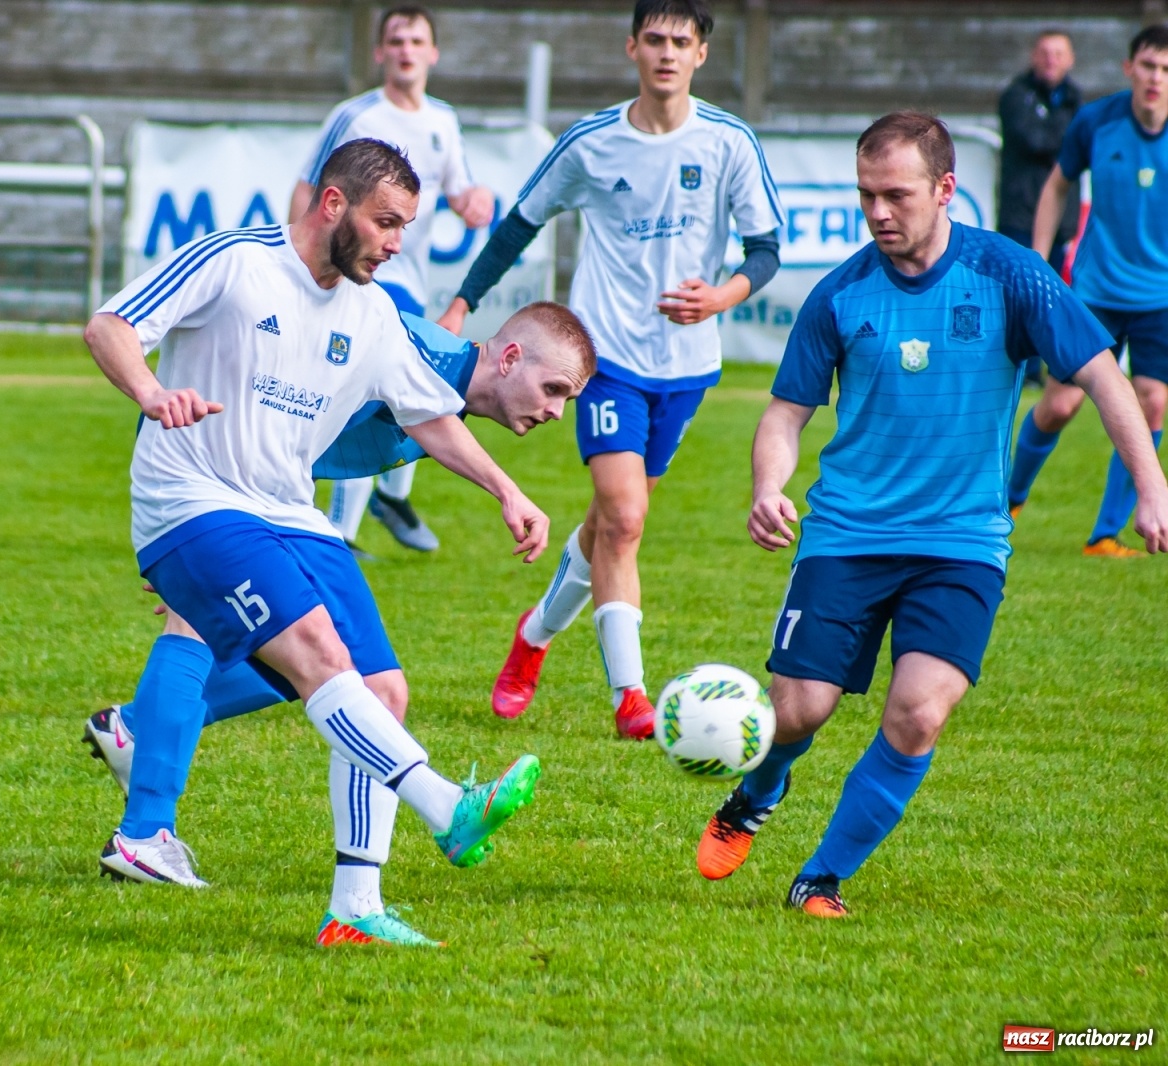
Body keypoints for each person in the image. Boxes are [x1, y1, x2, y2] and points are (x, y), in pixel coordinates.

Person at [692, 111, 1168, 919]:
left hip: (961, 541)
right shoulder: (841, 292)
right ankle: (758, 792)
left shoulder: (1008, 275)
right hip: (847, 533)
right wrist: (769, 485)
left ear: (945, 189)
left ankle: (821, 878)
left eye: (896, 195)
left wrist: (1151, 487)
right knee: (798, 709)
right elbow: (785, 414)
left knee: (917, 712)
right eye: (865, 195)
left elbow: (1101, 375)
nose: (878, 213)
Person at [82, 138, 548, 946]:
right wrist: (152, 391)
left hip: (291, 512)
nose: (396, 243)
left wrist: (506, 489)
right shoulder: (237, 259)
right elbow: (110, 325)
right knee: (320, 654)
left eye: (405, 228)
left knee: (384, 690)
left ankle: (355, 909)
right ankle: (447, 807)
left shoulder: (373, 311)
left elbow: (428, 415)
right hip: (193, 499)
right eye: (386, 223)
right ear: (334, 204)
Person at [436, 0, 782, 738]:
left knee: (608, 525)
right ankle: (633, 699)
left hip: (687, 368)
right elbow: (520, 223)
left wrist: (720, 297)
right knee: (624, 519)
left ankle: (534, 635)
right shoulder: (591, 142)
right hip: (605, 360)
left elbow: (766, 250)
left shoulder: (729, 141)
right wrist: (465, 301)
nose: (667, 52)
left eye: (681, 41)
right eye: (654, 39)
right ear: (632, 48)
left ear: (701, 54)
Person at [291, 5, 495, 556]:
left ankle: (389, 497)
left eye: (416, 41)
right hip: (361, 275)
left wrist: (474, 201)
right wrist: (305, 260)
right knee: (379, 388)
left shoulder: (443, 121)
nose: (407, 50)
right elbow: (309, 187)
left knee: (401, 384)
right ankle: (347, 527)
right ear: (380, 52)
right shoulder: (355, 116)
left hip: (408, 274)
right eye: (397, 41)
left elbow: (460, 191)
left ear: (433, 53)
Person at [1007, 23, 1168, 557]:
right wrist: (1037, 260)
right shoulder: (1096, 121)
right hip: (1096, 290)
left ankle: (1105, 535)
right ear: (1129, 69)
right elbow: (1057, 185)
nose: (1157, 78)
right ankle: (1009, 498)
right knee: (1060, 405)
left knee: (1152, 402)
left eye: (1166, 70)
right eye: (1149, 66)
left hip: (1160, 298)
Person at [997, 29, 1083, 263]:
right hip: (1020, 219)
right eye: (1045, 53)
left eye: (1058, 54)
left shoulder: (1076, 99)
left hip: (1062, 222)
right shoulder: (1016, 96)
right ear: (1033, 57)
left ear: (1070, 59)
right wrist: (1067, 136)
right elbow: (1035, 141)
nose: (1051, 60)